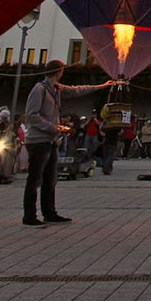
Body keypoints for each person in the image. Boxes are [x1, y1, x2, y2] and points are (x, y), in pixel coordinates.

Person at [21, 62, 115, 226]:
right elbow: (31, 115)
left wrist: (101, 86)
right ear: (58, 72)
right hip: (38, 141)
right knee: (35, 179)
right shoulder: (40, 89)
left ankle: (49, 212)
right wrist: (53, 127)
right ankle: (29, 216)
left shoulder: (56, 89)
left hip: (50, 140)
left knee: (50, 179)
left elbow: (76, 90)